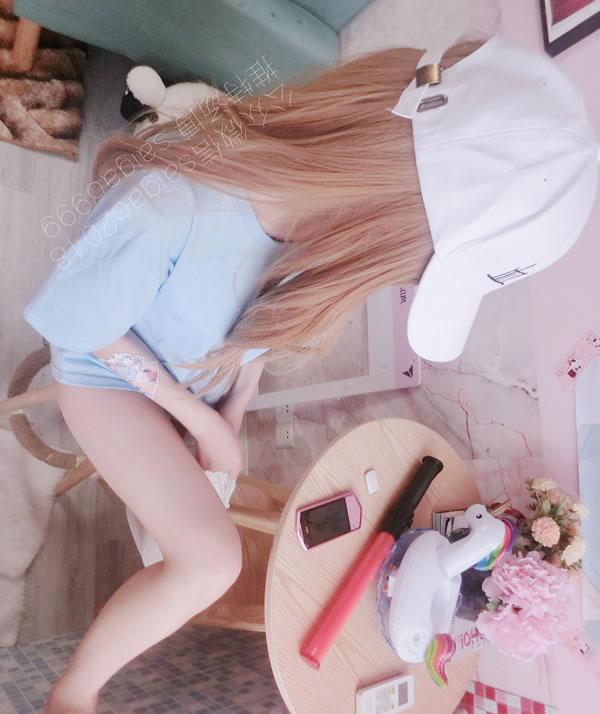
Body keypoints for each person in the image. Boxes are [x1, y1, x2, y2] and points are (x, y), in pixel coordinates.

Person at [22, 33, 597, 714]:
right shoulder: (174, 204)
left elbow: (259, 335)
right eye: (408, 266)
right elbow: (80, 325)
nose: (397, 279)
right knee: (211, 561)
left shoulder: (310, 231)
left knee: (206, 545)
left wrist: (231, 409)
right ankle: (73, 692)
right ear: (380, 209)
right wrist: (203, 419)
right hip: (105, 374)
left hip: (191, 384)